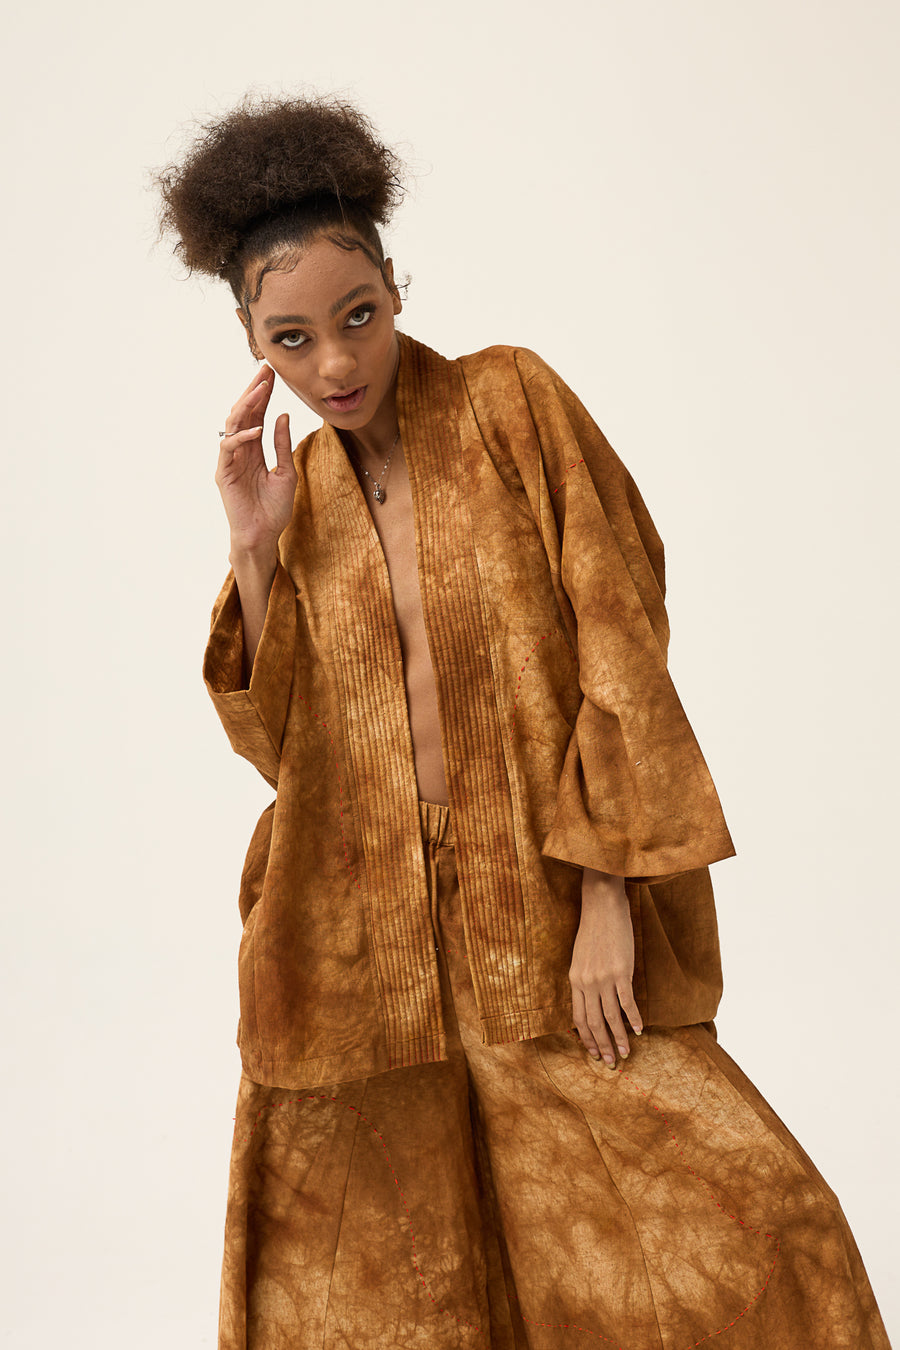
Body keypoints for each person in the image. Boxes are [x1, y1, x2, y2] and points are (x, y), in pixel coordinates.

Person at [155, 94, 890, 1350]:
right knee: (382, 1289)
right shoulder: (297, 492)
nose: (335, 364)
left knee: (754, 1228)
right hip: (356, 951)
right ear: (250, 341)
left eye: (358, 316)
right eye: (293, 339)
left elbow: (622, 639)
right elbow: (290, 754)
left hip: (542, 903)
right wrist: (255, 547)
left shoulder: (512, 403)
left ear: (395, 283)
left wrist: (607, 894)